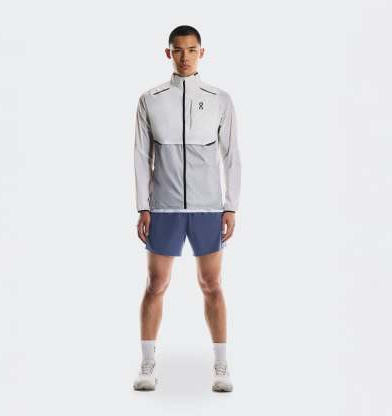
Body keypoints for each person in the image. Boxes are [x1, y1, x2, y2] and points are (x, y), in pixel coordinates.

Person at [133, 25, 241, 392]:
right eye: (178, 50)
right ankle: (148, 364)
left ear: (201, 53)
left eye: (191, 50)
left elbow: (232, 155)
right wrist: (143, 206)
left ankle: (221, 366)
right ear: (168, 53)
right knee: (156, 283)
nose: (184, 57)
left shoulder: (220, 99)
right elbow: (140, 156)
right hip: (163, 207)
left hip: (208, 207)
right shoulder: (150, 99)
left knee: (212, 284)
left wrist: (230, 206)